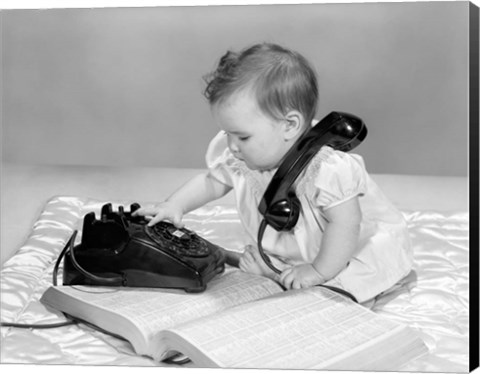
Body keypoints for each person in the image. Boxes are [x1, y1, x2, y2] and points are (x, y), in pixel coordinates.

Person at [134, 43, 413, 303]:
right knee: (262, 266)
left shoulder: (327, 170)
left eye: (242, 137)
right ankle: (282, 271)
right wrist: (174, 205)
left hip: (345, 250)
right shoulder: (245, 157)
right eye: (227, 134)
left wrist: (317, 271)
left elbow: (346, 226)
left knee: (340, 288)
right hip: (296, 253)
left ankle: (314, 277)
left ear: (290, 126)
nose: (232, 146)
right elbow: (211, 181)